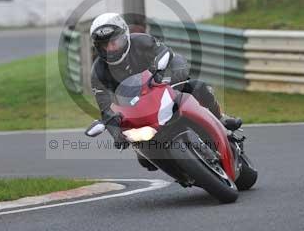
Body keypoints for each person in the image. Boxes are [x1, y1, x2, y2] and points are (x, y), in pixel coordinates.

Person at [89, 13, 241, 161]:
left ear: (124, 35)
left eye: (114, 42)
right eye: (104, 45)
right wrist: (116, 134)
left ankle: (220, 118)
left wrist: (173, 77)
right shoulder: (97, 72)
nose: (110, 49)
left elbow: (169, 55)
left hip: (164, 87)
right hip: (137, 111)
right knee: (145, 160)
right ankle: (183, 171)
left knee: (198, 87)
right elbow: (106, 108)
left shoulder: (142, 41)